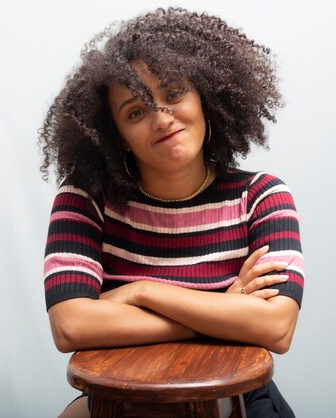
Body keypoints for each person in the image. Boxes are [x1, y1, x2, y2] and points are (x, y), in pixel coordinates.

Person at [38, 7, 304, 418]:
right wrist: (221, 311)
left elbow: (276, 328)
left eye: (174, 93)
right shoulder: (86, 201)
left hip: (238, 400)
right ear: (118, 138)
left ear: (206, 99)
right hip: (120, 401)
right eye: (135, 112)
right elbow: (71, 326)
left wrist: (142, 292)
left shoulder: (261, 196)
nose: (161, 119)